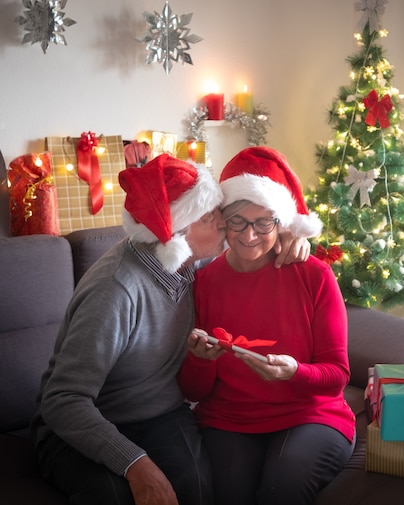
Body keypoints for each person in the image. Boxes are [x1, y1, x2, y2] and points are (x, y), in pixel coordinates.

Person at [31, 153, 310, 505]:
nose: (224, 223)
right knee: (117, 496)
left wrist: (292, 235)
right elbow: (63, 401)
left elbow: (253, 243)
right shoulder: (116, 289)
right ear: (177, 233)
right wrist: (134, 463)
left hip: (160, 414)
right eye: (211, 217)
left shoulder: (193, 263)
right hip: (83, 425)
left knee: (195, 489)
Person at [177, 146, 356, 505]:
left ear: (282, 223)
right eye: (238, 221)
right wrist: (201, 359)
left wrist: (295, 373)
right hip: (229, 418)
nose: (249, 236)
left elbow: (337, 374)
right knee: (227, 494)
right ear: (223, 219)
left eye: (264, 223)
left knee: (282, 488)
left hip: (312, 415)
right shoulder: (204, 281)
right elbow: (194, 392)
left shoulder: (314, 276)